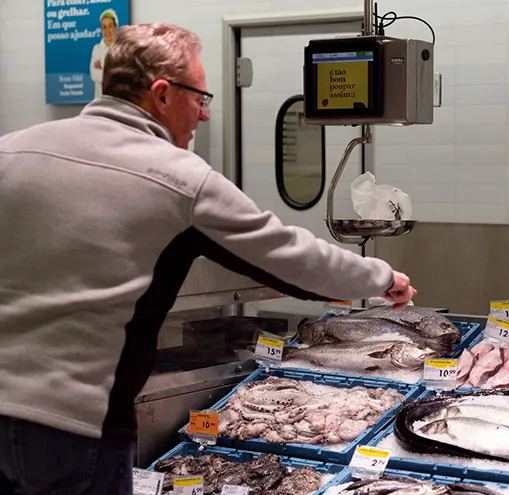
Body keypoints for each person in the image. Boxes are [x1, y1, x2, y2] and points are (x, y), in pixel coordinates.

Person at [0, 23, 416, 493]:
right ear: (161, 94)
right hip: (73, 426)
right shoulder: (177, 177)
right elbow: (286, 256)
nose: (203, 116)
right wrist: (380, 276)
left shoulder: (12, 150)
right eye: (200, 98)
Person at [90, 9, 118, 99]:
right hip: (100, 100)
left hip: (117, 100)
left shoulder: (120, 49)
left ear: (115, 27)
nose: (107, 30)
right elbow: (94, 75)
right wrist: (113, 73)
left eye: (110, 26)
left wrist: (102, 68)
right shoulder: (97, 49)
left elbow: (122, 76)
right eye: (104, 27)